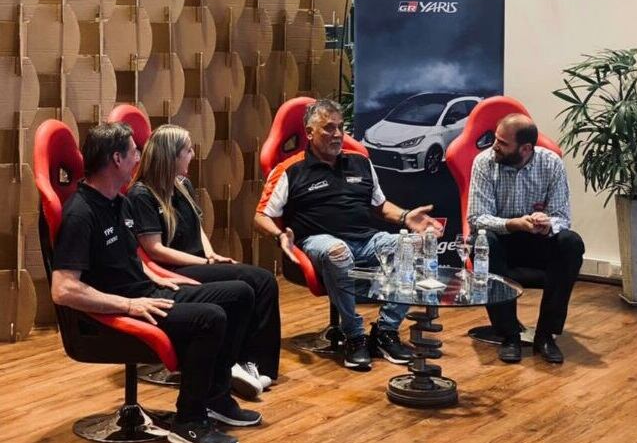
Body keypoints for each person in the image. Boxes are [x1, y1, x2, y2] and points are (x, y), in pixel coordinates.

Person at [51, 122, 262, 443]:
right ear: (116, 158)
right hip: (122, 310)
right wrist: (130, 306)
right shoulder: (81, 213)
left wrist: (156, 273)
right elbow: (63, 290)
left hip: (147, 291)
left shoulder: (117, 202)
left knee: (240, 293)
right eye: (134, 150)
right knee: (211, 318)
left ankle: (216, 396)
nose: (140, 156)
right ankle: (189, 422)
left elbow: (137, 255)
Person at [254, 99, 444, 370]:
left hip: (366, 240)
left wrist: (404, 216)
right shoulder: (289, 169)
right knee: (338, 251)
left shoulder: (360, 163)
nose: (337, 135)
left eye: (340, 128)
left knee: (414, 246)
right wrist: (279, 235)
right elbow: (260, 216)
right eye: (328, 128)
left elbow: (380, 206)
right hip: (318, 241)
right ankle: (354, 335)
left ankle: (385, 331)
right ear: (309, 133)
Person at [126, 124, 280, 399]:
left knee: (265, 280)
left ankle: (258, 365)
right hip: (171, 268)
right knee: (251, 282)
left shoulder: (182, 184)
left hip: (197, 261)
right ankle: (236, 362)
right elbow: (156, 249)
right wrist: (204, 264)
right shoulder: (142, 194)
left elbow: (197, 226)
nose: (192, 156)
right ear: (170, 156)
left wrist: (210, 254)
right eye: (186, 150)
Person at [467, 113, 585, 364]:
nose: (495, 146)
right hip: (502, 239)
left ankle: (545, 335)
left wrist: (546, 224)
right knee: (484, 241)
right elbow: (476, 218)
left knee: (570, 242)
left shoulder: (551, 163)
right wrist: (513, 224)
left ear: (526, 148)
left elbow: (562, 217)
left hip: (537, 241)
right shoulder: (484, 162)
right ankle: (509, 334)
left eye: (502, 142)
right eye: (496, 139)